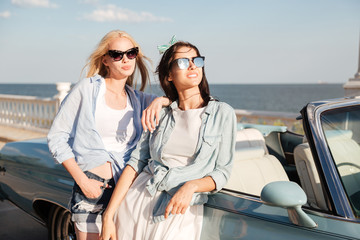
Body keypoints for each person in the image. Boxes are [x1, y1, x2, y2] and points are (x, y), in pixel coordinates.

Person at [100, 40, 237, 240]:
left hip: (180, 209)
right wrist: (109, 215)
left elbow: (222, 172)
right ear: (169, 75)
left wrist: (191, 186)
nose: (192, 66)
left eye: (196, 60)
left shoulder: (222, 113)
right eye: (183, 62)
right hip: (138, 201)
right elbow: (136, 162)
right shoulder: (161, 114)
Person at [47, 30, 170, 240]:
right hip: (93, 188)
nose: (125, 59)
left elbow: (181, 103)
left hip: (128, 192)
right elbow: (57, 137)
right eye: (117, 54)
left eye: (131, 53)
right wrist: (82, 180)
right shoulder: (87, 89)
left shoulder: (139, 99)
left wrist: (161, 101)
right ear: (105, 59)